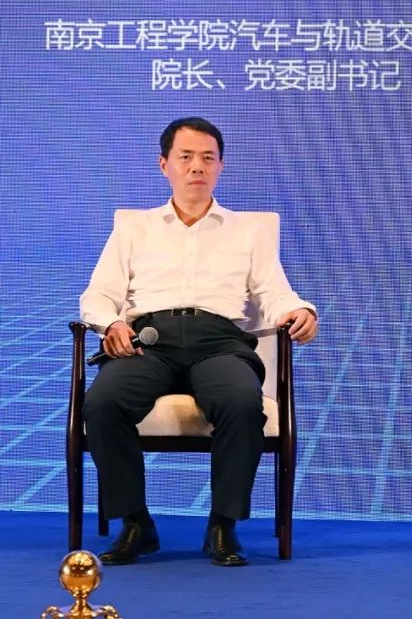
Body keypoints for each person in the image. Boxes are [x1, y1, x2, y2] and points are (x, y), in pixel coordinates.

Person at [80, 117, 318, 567]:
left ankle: (223, 526)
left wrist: (300, 310)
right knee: (103, 403)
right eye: (186, 157)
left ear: (220, 166)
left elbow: (274, 294)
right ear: (164, 164)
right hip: (148, 341)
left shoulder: (247, 231)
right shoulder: (134, 228)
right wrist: (110, 324)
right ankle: (136, 523)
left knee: (241, 403)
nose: (197, 167)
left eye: (208, 158)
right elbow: (98, 295)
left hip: (219, 342)